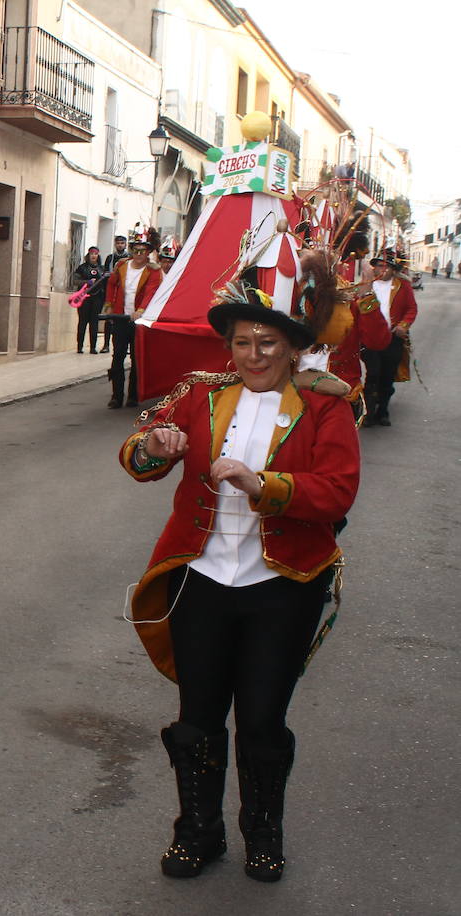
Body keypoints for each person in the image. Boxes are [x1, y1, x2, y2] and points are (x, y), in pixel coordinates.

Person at [119, 278, 359, 883]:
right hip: (199, 577)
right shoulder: (201, 395)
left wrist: (264, 485)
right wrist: (154, 445)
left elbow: (338, 490)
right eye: (243, 342)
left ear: (293, 348)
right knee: (197, 715)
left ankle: (262, 833)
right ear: (228, 345)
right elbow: (136, 458)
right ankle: (197, 832)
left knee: (260, 718)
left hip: (282, 585)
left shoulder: (326, 406)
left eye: (269, 343)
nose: (254, 356)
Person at [360, 249, 417, 427]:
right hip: (371, 338)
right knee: (373, 373)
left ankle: (382, 411)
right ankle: (368, 412)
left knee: (387, 376)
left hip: (393, 338)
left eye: (387, 266)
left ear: (393, 269)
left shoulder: (402, 286)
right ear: (374, 268)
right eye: (379, 265)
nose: (383, 269)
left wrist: (403, 325)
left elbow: (411, 309)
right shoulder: (367, 285)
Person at [102, 234, 159, 408]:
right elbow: (112, 283)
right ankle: (116, 396)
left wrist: (141, 310)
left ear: (148, 251)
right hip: (120, 318)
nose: (139, 254)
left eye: (142, 250)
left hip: (139, 321)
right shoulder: (121, 265)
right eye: (135, 250)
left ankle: (133, 395)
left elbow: (151, 291)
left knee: (136, 357)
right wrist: (109, 304)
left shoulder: (153, 271)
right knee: (117, 355)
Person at [72, 246, 105, 354]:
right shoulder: (82, 268)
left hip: (97, 298)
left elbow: (105, 284)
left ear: (98, 255)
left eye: (95, 254)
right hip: (84, 298)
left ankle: (92, 347)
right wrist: (87, 282)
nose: (93, 256)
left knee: (94, 323)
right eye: (91, 254)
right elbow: (75, 281)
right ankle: (80, 347)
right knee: (82, 322)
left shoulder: (102, 269)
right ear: (88, 255)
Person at [99, 234, 129, 353]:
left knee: (123, 319)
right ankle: (106, 345)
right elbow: (106, 274)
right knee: (108, 318)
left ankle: (124, 345)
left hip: (123, 293)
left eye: (122, 243)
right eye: (118, 243)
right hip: (110, 293)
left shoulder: (129, 258)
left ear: (125, 244)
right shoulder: (110, 258)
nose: (120, 245)